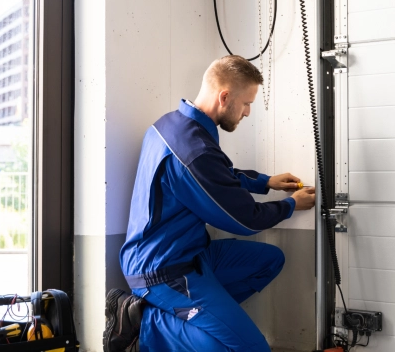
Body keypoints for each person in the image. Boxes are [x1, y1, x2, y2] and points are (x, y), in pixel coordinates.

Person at [104, 55, 316, 352]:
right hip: (164, 270)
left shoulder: (171, 125)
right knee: (250, 349)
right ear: (224, 97)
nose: (248, 112)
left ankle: (203, 322)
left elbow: (217, 176)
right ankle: (145, 325)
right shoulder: (194, 150)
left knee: (269, 260)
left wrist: (265, 182)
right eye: (246, 103)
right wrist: (291, 205)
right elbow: (246, 219)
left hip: (192, 253)